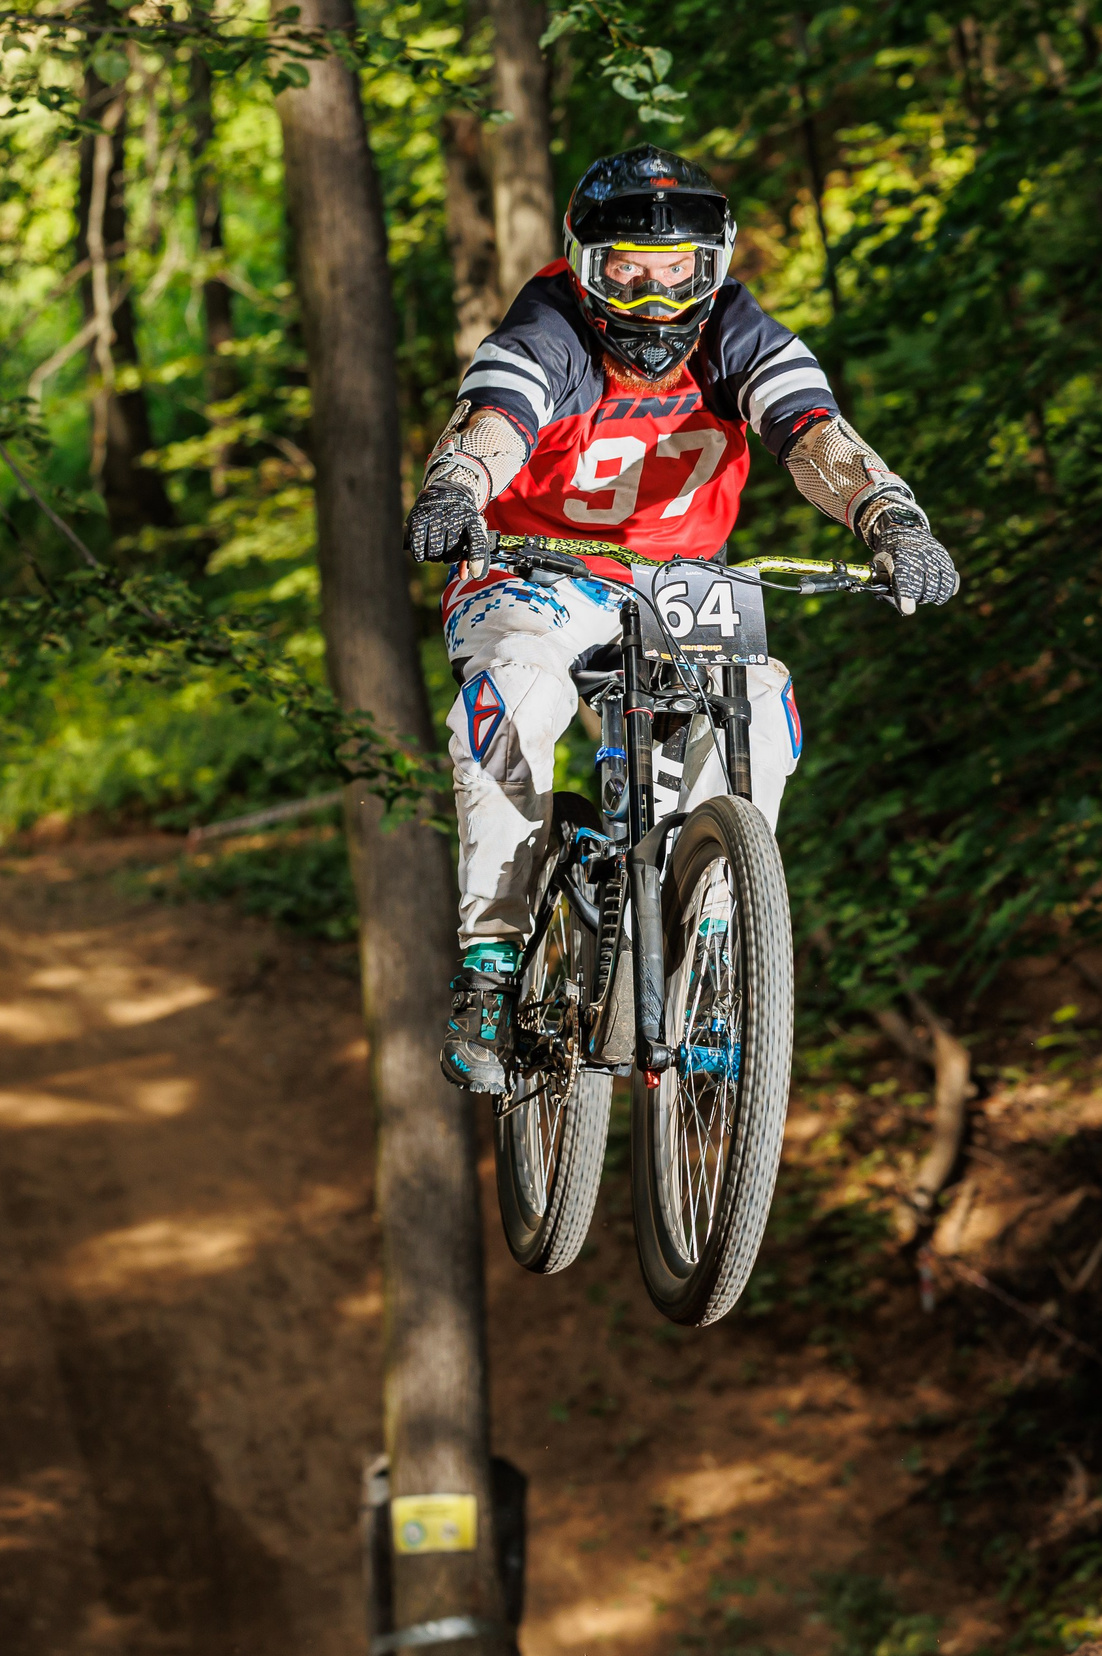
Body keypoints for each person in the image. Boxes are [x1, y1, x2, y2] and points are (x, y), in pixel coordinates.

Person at [406, 145, 958, 1094]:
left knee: (762, 699)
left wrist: (892, 517)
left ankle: (706, 932)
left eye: (680, 275)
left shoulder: (738, 332)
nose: (655, 303)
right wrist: (457, 485)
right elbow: (495, 414)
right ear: (586, 268)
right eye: (628, 272)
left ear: (716, 268)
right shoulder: (551, 328)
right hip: (535, 574)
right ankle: (491, 966)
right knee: (518, 693)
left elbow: (815, 434)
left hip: (680, 584)